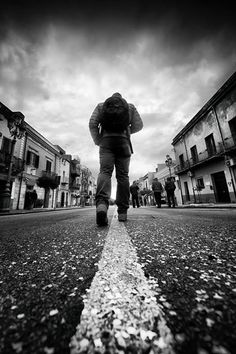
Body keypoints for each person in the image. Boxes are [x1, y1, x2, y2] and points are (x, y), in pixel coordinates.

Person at [89, 92, 143, 226]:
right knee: (123, 176)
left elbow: (92, 124)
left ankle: (101, 205)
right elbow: (139, 125)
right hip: (123, 143)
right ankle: (123, 212)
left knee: (105, 172)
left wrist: (98, 140)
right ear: (121, 99)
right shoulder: (130, 107)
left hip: (106, 142)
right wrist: (127, 132)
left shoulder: (101, 106)